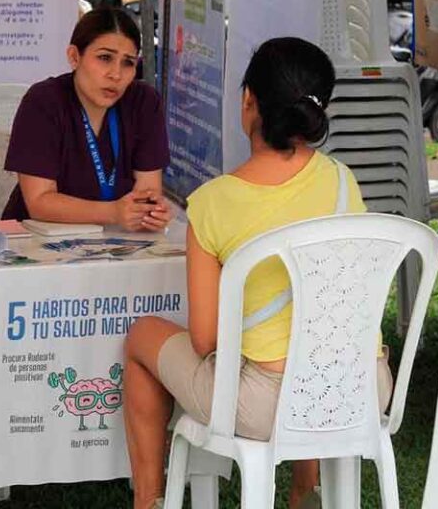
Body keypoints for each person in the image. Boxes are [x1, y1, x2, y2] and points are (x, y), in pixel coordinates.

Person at [123, 37, 391, 509]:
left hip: (266, 405)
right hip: (363, 387)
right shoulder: (341, 180)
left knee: (143, 335)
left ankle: (149, 502)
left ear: (249, 101)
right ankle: (303, 488)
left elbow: (206, 342)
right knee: (308, 337)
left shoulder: (214, 203)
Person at [2, 7, 171, 232]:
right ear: (74, 57)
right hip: (38, 238)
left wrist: (151, 212)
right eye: (105, 58)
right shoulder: (43, 101)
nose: (116, 74)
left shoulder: (144, 102)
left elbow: (147, 192)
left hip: (118, 239)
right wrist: (112, 212)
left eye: (128, 62)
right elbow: (39, 202)